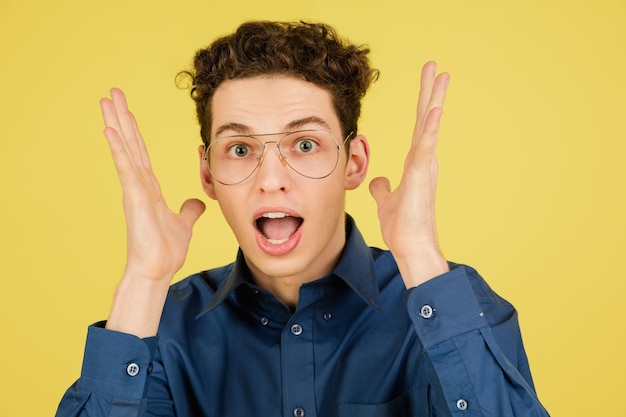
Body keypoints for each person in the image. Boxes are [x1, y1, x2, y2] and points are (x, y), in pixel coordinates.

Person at [56, 21, 549, 417]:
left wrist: (420, 252)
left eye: (305, 144)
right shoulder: (157, 334)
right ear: (208, 175)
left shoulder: (448, 307)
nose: (270, 179)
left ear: (353, 163)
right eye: (241, 148)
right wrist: (143, 281)